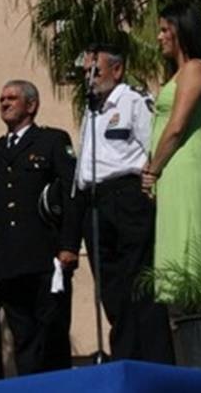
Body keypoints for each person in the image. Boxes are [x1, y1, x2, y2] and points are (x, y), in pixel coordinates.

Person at [75, 44, 174, 363]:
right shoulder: (91, 108)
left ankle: (155, 361)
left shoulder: (133, 99)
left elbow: (152, 146)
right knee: (111, 288)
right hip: (95, 201)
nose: (89, 78)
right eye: (85, 72)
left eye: (96, 71)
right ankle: (126, 357)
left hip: (127, 195)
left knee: (140, 282)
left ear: (116, 70)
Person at [0, 80, 79, 375]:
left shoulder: (51, 142)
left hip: (46, 257)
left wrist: (69, 245)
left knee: (51, 333)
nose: (5, 103)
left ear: (31, 105)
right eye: (2, 99)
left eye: (12, 98)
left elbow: (72, 196)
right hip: (8, 262)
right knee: (22, 337)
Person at [141, 4, 201, 293]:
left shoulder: (195, 70)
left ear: (182, 31)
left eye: (165, 29)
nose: (159, 37)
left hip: (186, 171)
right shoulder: (180, 73)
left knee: (194, 262)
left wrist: (153, 171)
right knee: (178, 263)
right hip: (173, 173)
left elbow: (177, 126)